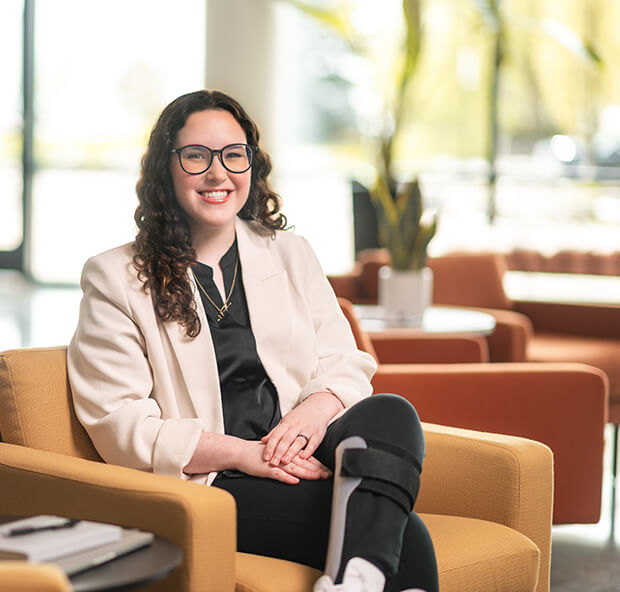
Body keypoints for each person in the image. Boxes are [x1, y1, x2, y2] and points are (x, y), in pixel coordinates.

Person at [67, 89, 438, 592]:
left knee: (392, 411)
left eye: (233, 154)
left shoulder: (291, 253)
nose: (217, 173)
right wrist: (244, 454)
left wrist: (310, 417)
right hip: (217, 479)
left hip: (304, 446)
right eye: (196, 156)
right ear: (165, 168)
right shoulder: (116, 277)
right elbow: (121, 424)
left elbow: (344, 361)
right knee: (405, 533)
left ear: (251, 164)